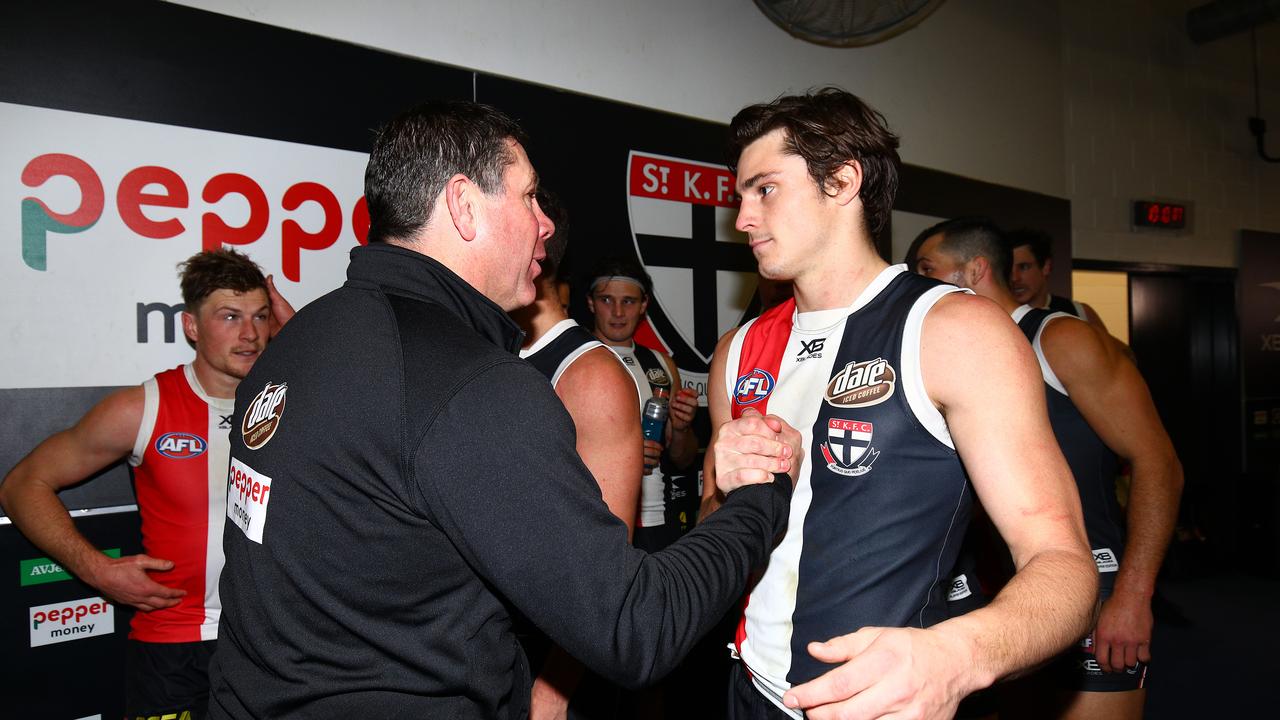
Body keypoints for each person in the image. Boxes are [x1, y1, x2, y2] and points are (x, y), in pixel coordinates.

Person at [208, 99, 801, 718]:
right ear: (464, 206)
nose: (546, 225)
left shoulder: (302, 337)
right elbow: (636, 626)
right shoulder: (469, 385)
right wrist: (760, 496)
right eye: (528, 198)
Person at [703, 87, 1097, 720]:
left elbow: (1064, 564)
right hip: (750, 689)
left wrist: (959, 655)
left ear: (842, 181)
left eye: (765, 189)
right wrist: (727, 493)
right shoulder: (739, 351)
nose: (743, 218)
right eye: (740, 196)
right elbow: (712, 533)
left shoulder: (953, 331)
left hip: (883, 703)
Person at [0, 248, 293, 720]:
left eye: (260, 316)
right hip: (172, 649)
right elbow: (22, 484)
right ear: (192, 327)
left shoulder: (292, 402)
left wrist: (299, 333)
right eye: (230, 316)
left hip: (268, 643)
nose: (250, 333)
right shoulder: (143, 407)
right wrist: (96, 571)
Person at [915, 217, 1184, 720]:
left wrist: (1132, 592)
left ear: (975, 271)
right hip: (988, 588)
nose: (916, 283)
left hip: (1090, 582)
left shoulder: (1060, 340)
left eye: (928, 269)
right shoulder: (947, 355)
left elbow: (1159, 462)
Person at [510, 189, 643, 720]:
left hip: (551, 662)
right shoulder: (491, 349)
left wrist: (553, 691)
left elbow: (605, 570)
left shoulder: (590, 376)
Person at [586, 256, 701, 551]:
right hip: (596, 518)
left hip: (657, 520)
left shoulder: (662, 364)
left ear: (643, 305)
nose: (617, 311)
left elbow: (683, 458)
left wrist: (684, 427)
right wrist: (626, 452)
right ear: (591, 303)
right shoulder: (578, 360)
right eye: (607, 300)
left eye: (628, 301)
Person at [1006, 227, 1109, 333]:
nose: (1014, 278)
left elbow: (1115, 349)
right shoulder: (1000, 317)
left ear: (1046, 266)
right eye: (1008, 269)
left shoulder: (1079, 311)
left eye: (1024, 267)